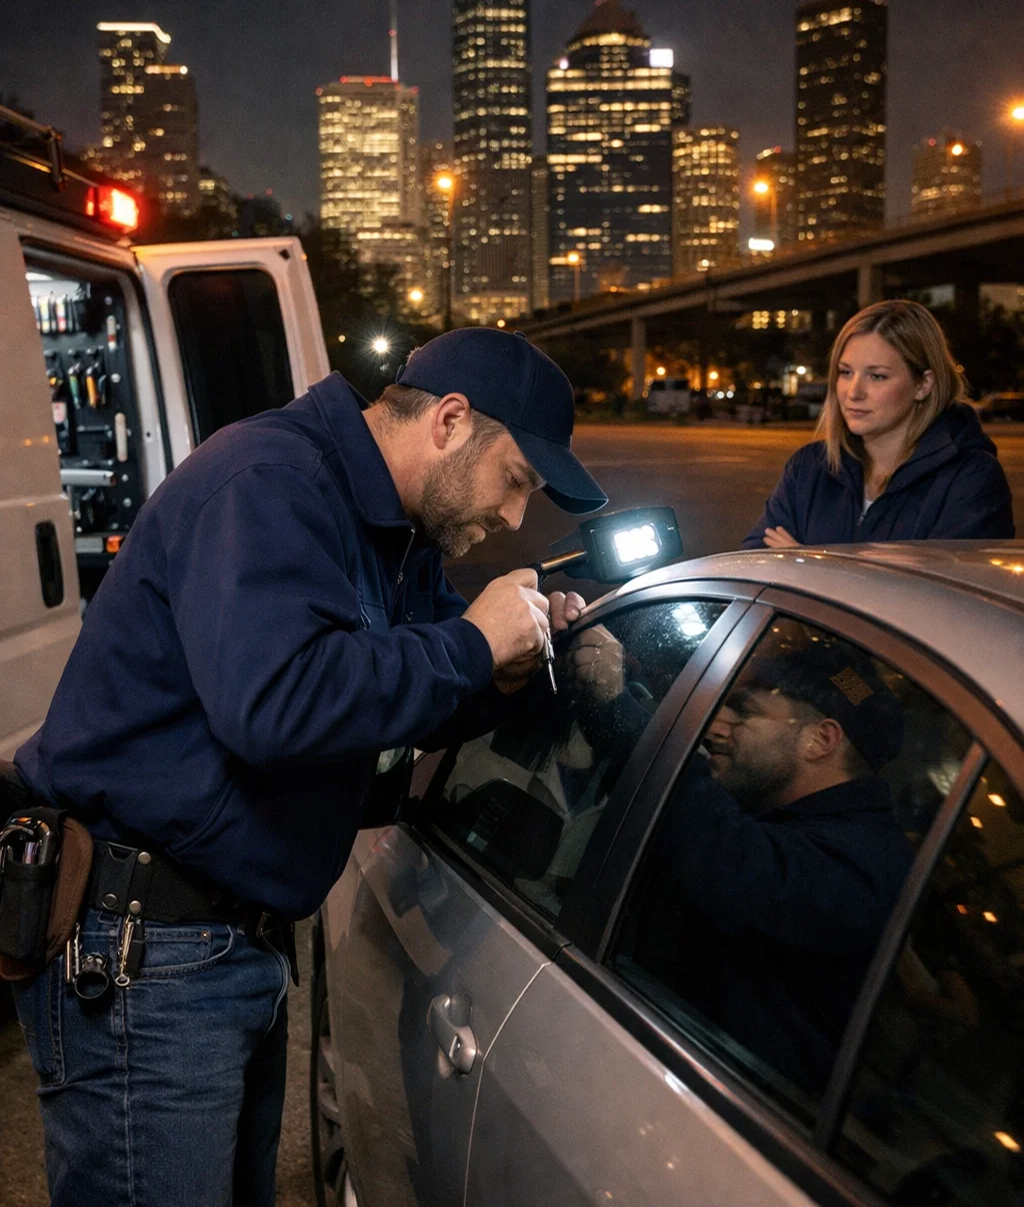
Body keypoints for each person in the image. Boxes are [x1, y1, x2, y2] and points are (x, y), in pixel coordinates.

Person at [6, 327, 607, 1206]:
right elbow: (276, 705)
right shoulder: (272, 482)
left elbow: (423, 682)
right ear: (448, 421)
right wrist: (475, 644)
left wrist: (521, 665)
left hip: (220, 949)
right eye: (516, 480)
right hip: (144, 951)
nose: (516, 519)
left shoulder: (393, 531)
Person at [628, 640, 912, 1094]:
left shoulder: (866, 863)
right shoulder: (792, 816)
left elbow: (733, 866)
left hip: (724, 1106)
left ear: (820, 740)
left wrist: (622, 720)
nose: (716, 725)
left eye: (744, 712)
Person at [742, 299, 1015, 548]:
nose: (854, 392)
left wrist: (805, 567)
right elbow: (755, 570)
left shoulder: (971, 479)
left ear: (923, 384)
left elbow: (942, 599)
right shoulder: (809, 469)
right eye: (846, 372)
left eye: (878, 376)